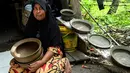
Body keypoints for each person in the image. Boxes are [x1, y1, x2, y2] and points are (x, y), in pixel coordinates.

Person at [9, 0, 72, 73]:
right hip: (34, 56)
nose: (38, 11)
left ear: (46, 11)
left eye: (41, 9)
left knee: (41, 71)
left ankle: (64, 62)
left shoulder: (52, 25)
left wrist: (42, 62)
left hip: (50, 55)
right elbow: (25, 45)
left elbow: (55, 47)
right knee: (13, 70)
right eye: (35, 8)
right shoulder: (31, 24)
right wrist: (17, 60)